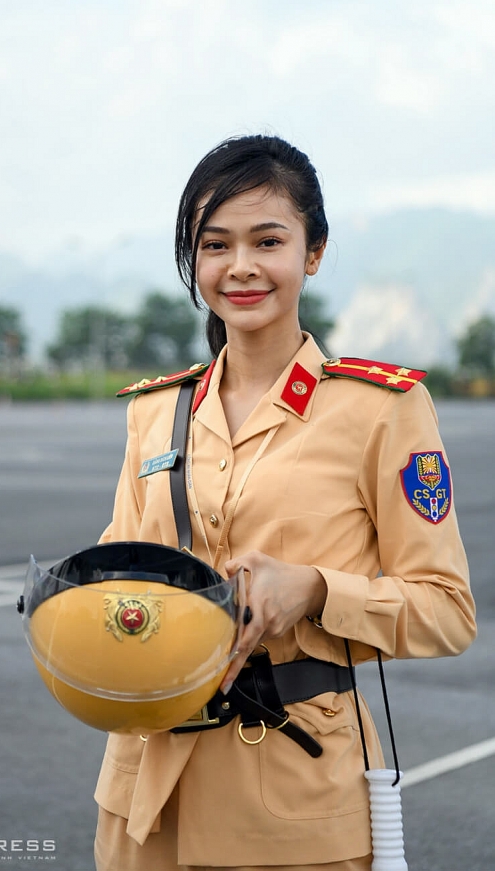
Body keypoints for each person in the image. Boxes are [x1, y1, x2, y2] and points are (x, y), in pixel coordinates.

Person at [92, 135, 476, 871]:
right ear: (193, 260)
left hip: (293, 797)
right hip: (143, 792)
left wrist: (314, 589)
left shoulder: (380, 410)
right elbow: (121, 574)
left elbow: (446, 610)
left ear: (313, 252)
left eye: (267, 240)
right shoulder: (156, 411)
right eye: (214, 245)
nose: (239, 267)